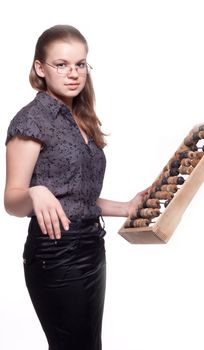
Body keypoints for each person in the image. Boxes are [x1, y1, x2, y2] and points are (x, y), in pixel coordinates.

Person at [4, 24, 147, 350]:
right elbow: (12, 201)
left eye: (80, 64)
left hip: (91, 246)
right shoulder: (32, 119)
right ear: (41, 68)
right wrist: (34, 192)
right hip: (55, 254)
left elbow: (77, 196)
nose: (73, 73)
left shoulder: (81, 119)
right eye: (62, 64)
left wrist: (125, 207)